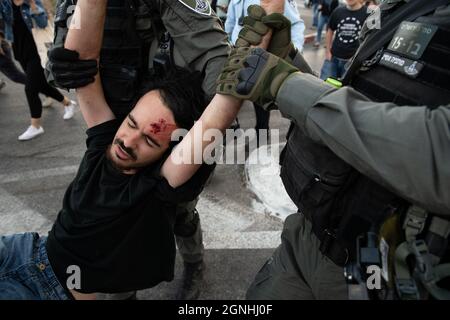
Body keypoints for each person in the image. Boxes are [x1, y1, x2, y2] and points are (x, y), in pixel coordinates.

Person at [0, 0, 243, 300]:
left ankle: (193, 262)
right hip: (115, 115)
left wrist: (233, 86)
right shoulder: (108, 139)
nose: (130, 142)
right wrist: (67, 64)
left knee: (179, 213)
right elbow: (73, 62)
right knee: (119, 230)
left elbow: (216, 61)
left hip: (172, 123)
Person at [216, 0, 450, 299]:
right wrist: (287, 60)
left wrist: (284, 84)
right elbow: (350, 103)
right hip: (309, 239)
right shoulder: (404, 9)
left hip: (384, 278)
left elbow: (438, 153)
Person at [225, 0, 305, 141]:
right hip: (237, 56)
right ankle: (232, 129)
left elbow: (296, 24)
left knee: (260, 101)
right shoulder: (236, 1)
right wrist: (227, 49)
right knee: (230, 95)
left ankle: (261, 135)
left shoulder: (276, 2)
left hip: (263, 58)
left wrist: (292, 51)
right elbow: (230, 23)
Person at [0, 0, 77, 141]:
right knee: (40, 84)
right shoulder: (6, 3)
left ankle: (36, 126)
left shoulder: (32, 2)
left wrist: (33, 6)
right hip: (19, 49)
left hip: (36, 51)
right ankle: (67, 103)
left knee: (30, 88)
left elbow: (42, 23)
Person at [321, 0, 369, 80]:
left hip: (353, 62)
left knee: (346, 90)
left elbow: (372, 35)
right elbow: (330, 30)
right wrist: (328, 52)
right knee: (325, 86)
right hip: (333, 59)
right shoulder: (338, 11)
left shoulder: (367, 13)